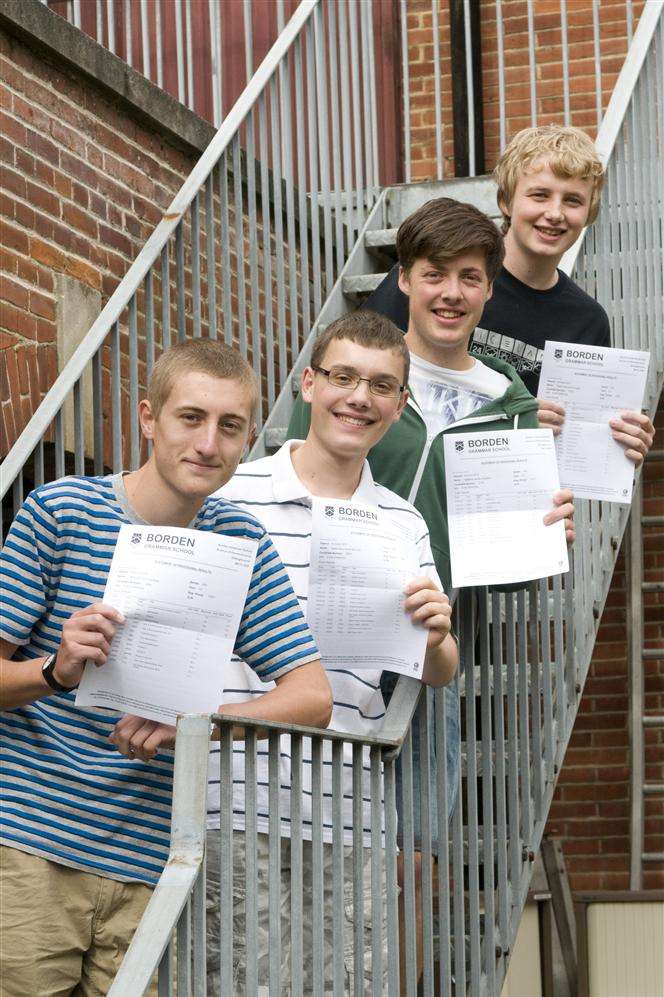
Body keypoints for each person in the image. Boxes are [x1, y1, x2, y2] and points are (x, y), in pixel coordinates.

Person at [288, 196, 576, 984]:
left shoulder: (509, 400)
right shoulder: (363, 384)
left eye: (470, 278)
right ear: (405, 281)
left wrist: (548, 529)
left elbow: (505, 547)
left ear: (489, 291)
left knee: (412, 855)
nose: (451, 292)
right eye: (434, 275)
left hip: (422, 645)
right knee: (293, 835)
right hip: (311, 634)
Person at [0, 339, 332, 996]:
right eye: (191, 417)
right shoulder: (62, 510)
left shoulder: (242, 542)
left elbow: (311, 696)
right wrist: (56, 670)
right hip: (28, 850)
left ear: (245, 439)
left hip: (150, 862)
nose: (208, 443)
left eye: (230, 425)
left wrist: (200, 721)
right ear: (148, 417)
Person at [205, 311, 459, 994]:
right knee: (241, 980)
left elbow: (440, 669)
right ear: (309, 384)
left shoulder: (401, 521)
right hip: (236, 788)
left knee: (352, 981)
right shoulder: (232, 495)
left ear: (400, 406)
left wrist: (437, 633)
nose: (359, 397)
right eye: (344, 377)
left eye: (381, 385)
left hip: (351, 794)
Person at [362, 125, 655, 462]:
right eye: (540, 195)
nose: (555, 214)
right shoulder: (438, 282)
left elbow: (572, 450)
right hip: (401, 467)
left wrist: (619, 442)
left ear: (589, 213)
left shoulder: (587, 322)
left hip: (502, 501)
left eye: (572, 200)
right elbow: (361, 371)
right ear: (505, 200)